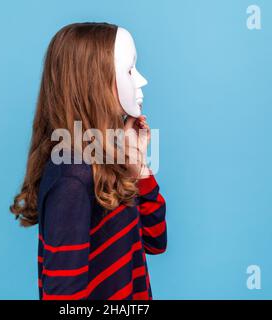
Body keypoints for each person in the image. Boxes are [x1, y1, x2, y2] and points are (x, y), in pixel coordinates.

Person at [10, 22, 167, 300]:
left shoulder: (109, 159)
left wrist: (138, 167)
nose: (141, 80)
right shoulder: (71, 180)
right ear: (94, 83)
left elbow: (156, 242)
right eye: (129, 70)